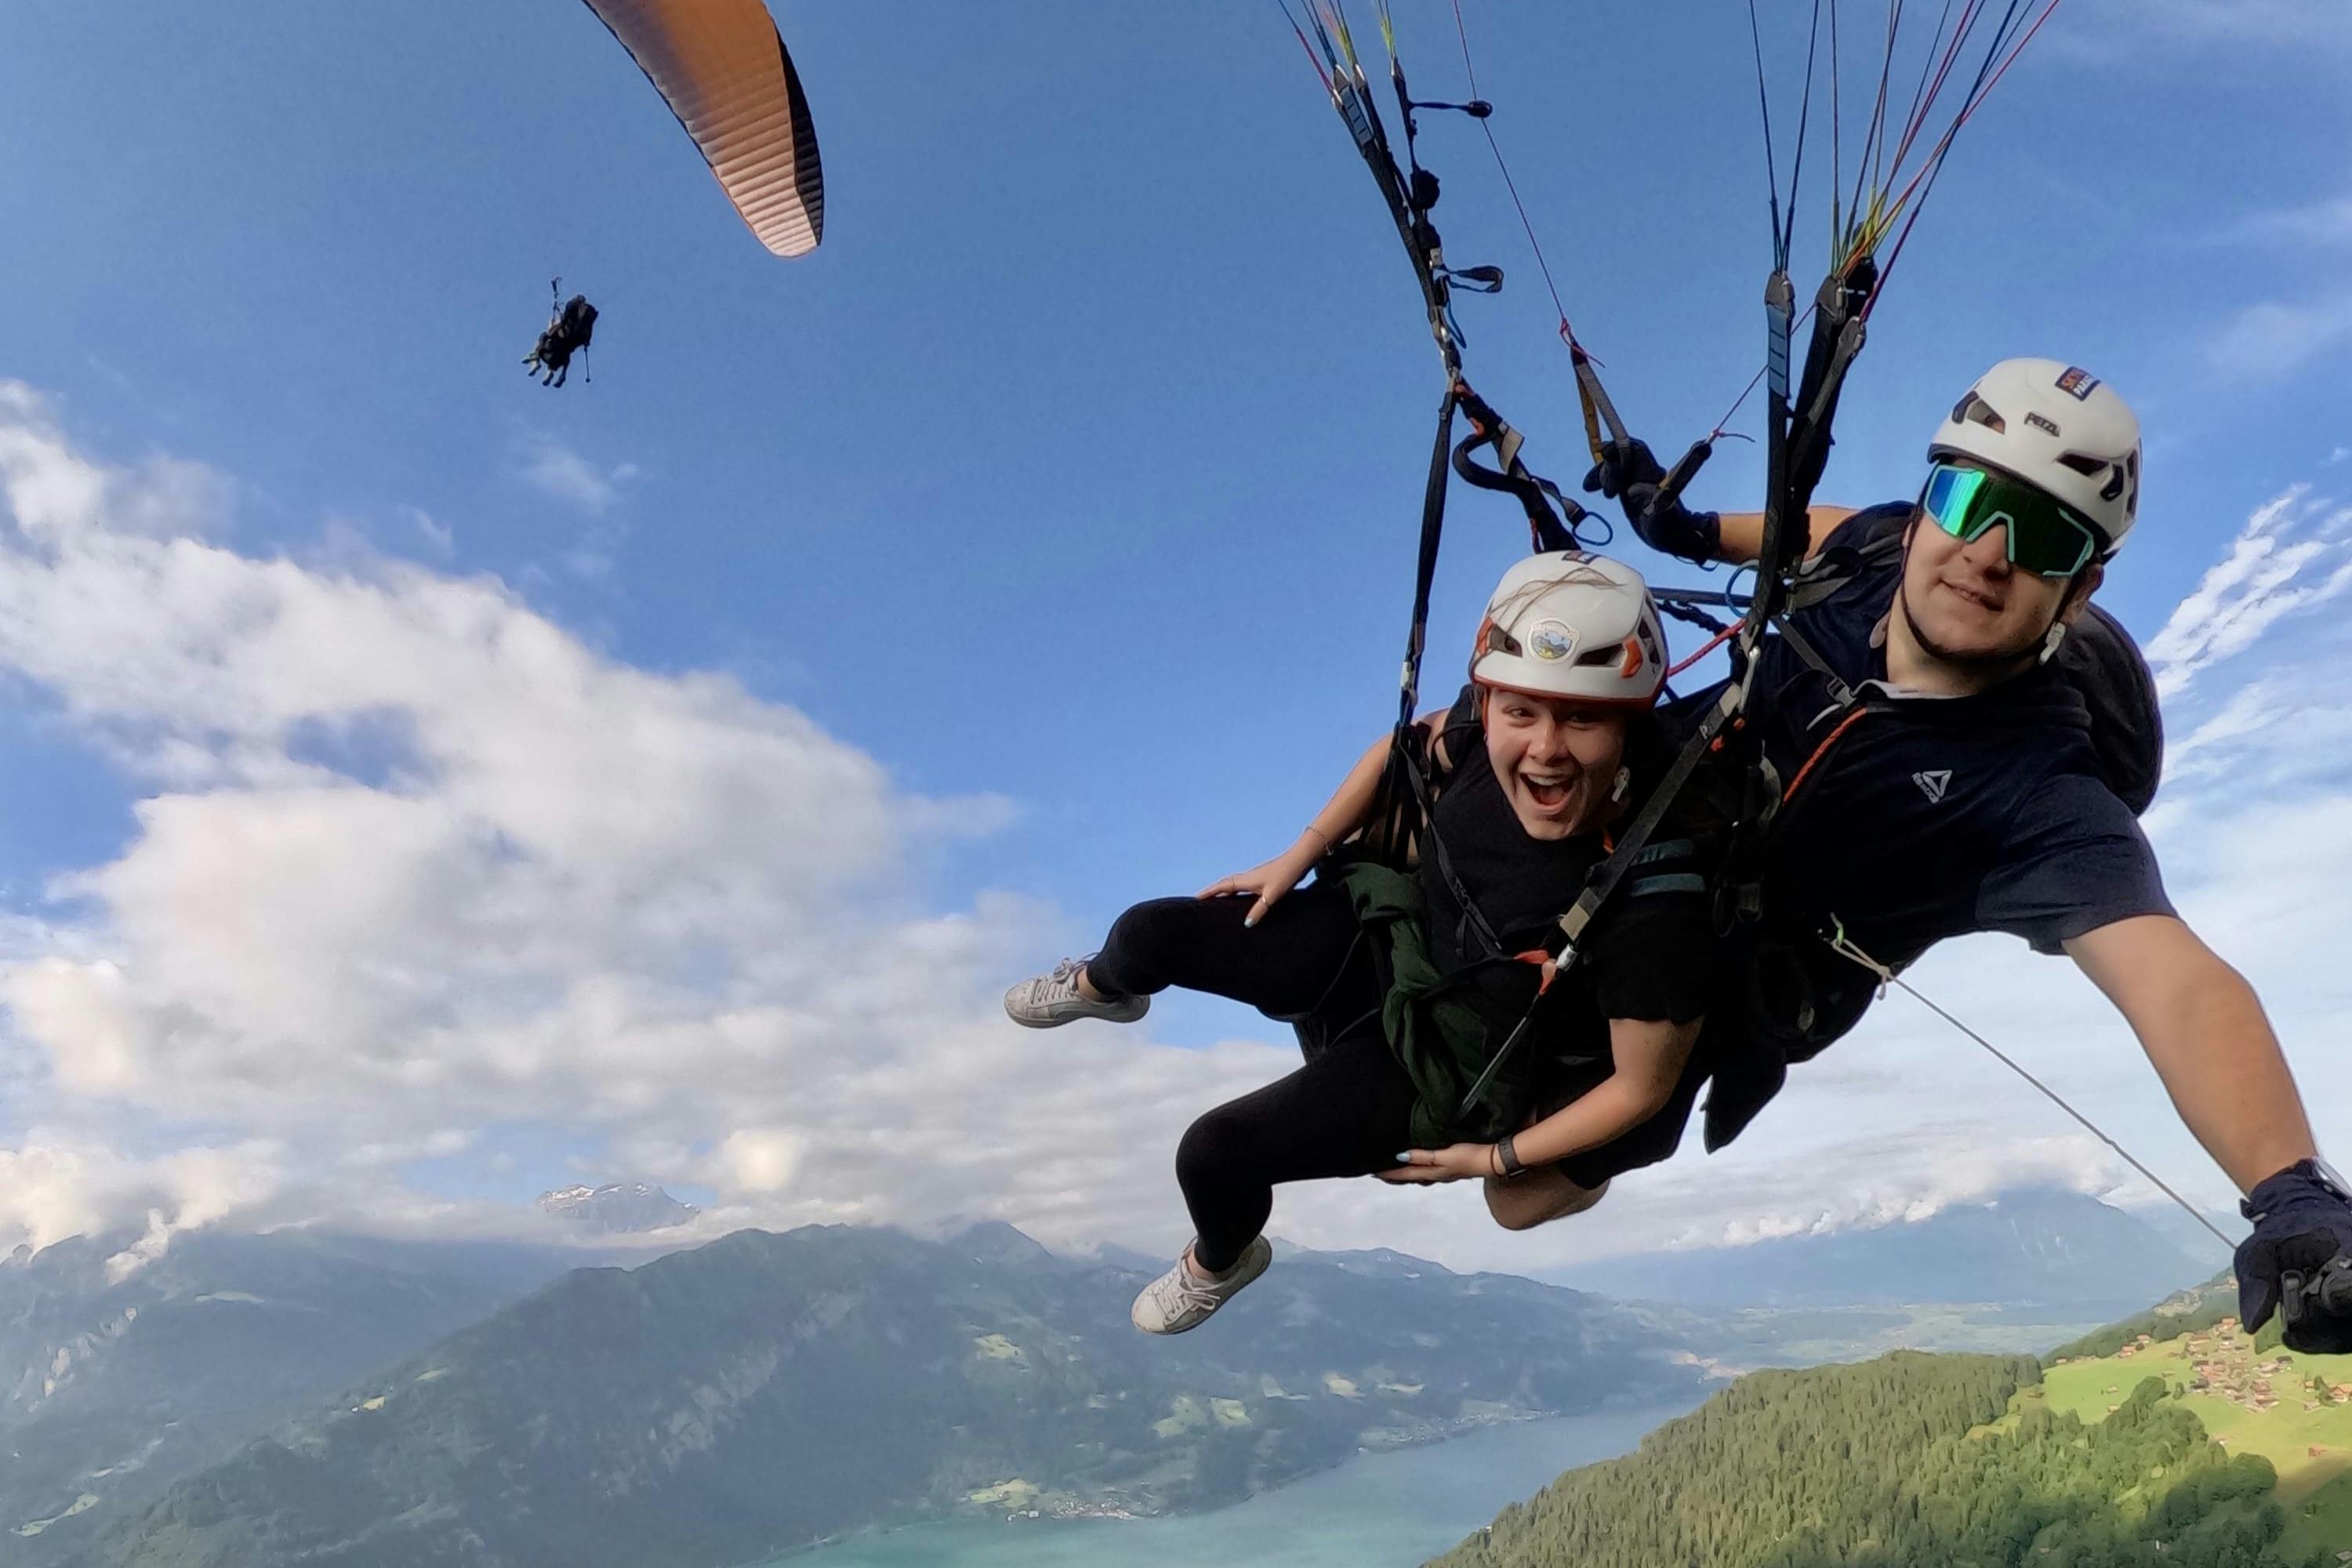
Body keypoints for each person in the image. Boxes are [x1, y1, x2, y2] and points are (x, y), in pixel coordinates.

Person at [1584, 357, 2352, 1352]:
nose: (1987, 552)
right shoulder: (1885, 547)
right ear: (1927, 507)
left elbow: (2177, 981)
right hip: (1656, 801)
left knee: (1535, 1192)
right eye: (1968, 499)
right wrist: (1684, 528)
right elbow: (1827, 527)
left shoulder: (2040, 790)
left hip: (1731, 975)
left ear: (2079, 591)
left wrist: (2289, 1185)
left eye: (2042, 538)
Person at [1004, 555, 1719, 1334]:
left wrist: (1492, 1159)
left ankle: (1221, 1260)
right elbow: (1402, 752)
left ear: (1630, 716)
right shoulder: (1484, 730)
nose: (1545, 747)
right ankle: (1107, 989)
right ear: (1494, 698)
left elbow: (1641, 1088)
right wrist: (1300, 853)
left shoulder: (1652, 898)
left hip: (1441, 1065)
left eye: (1581, 718)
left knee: (1213, 1154)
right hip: (1382, 937)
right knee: (1149, 931)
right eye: (1523, 712)